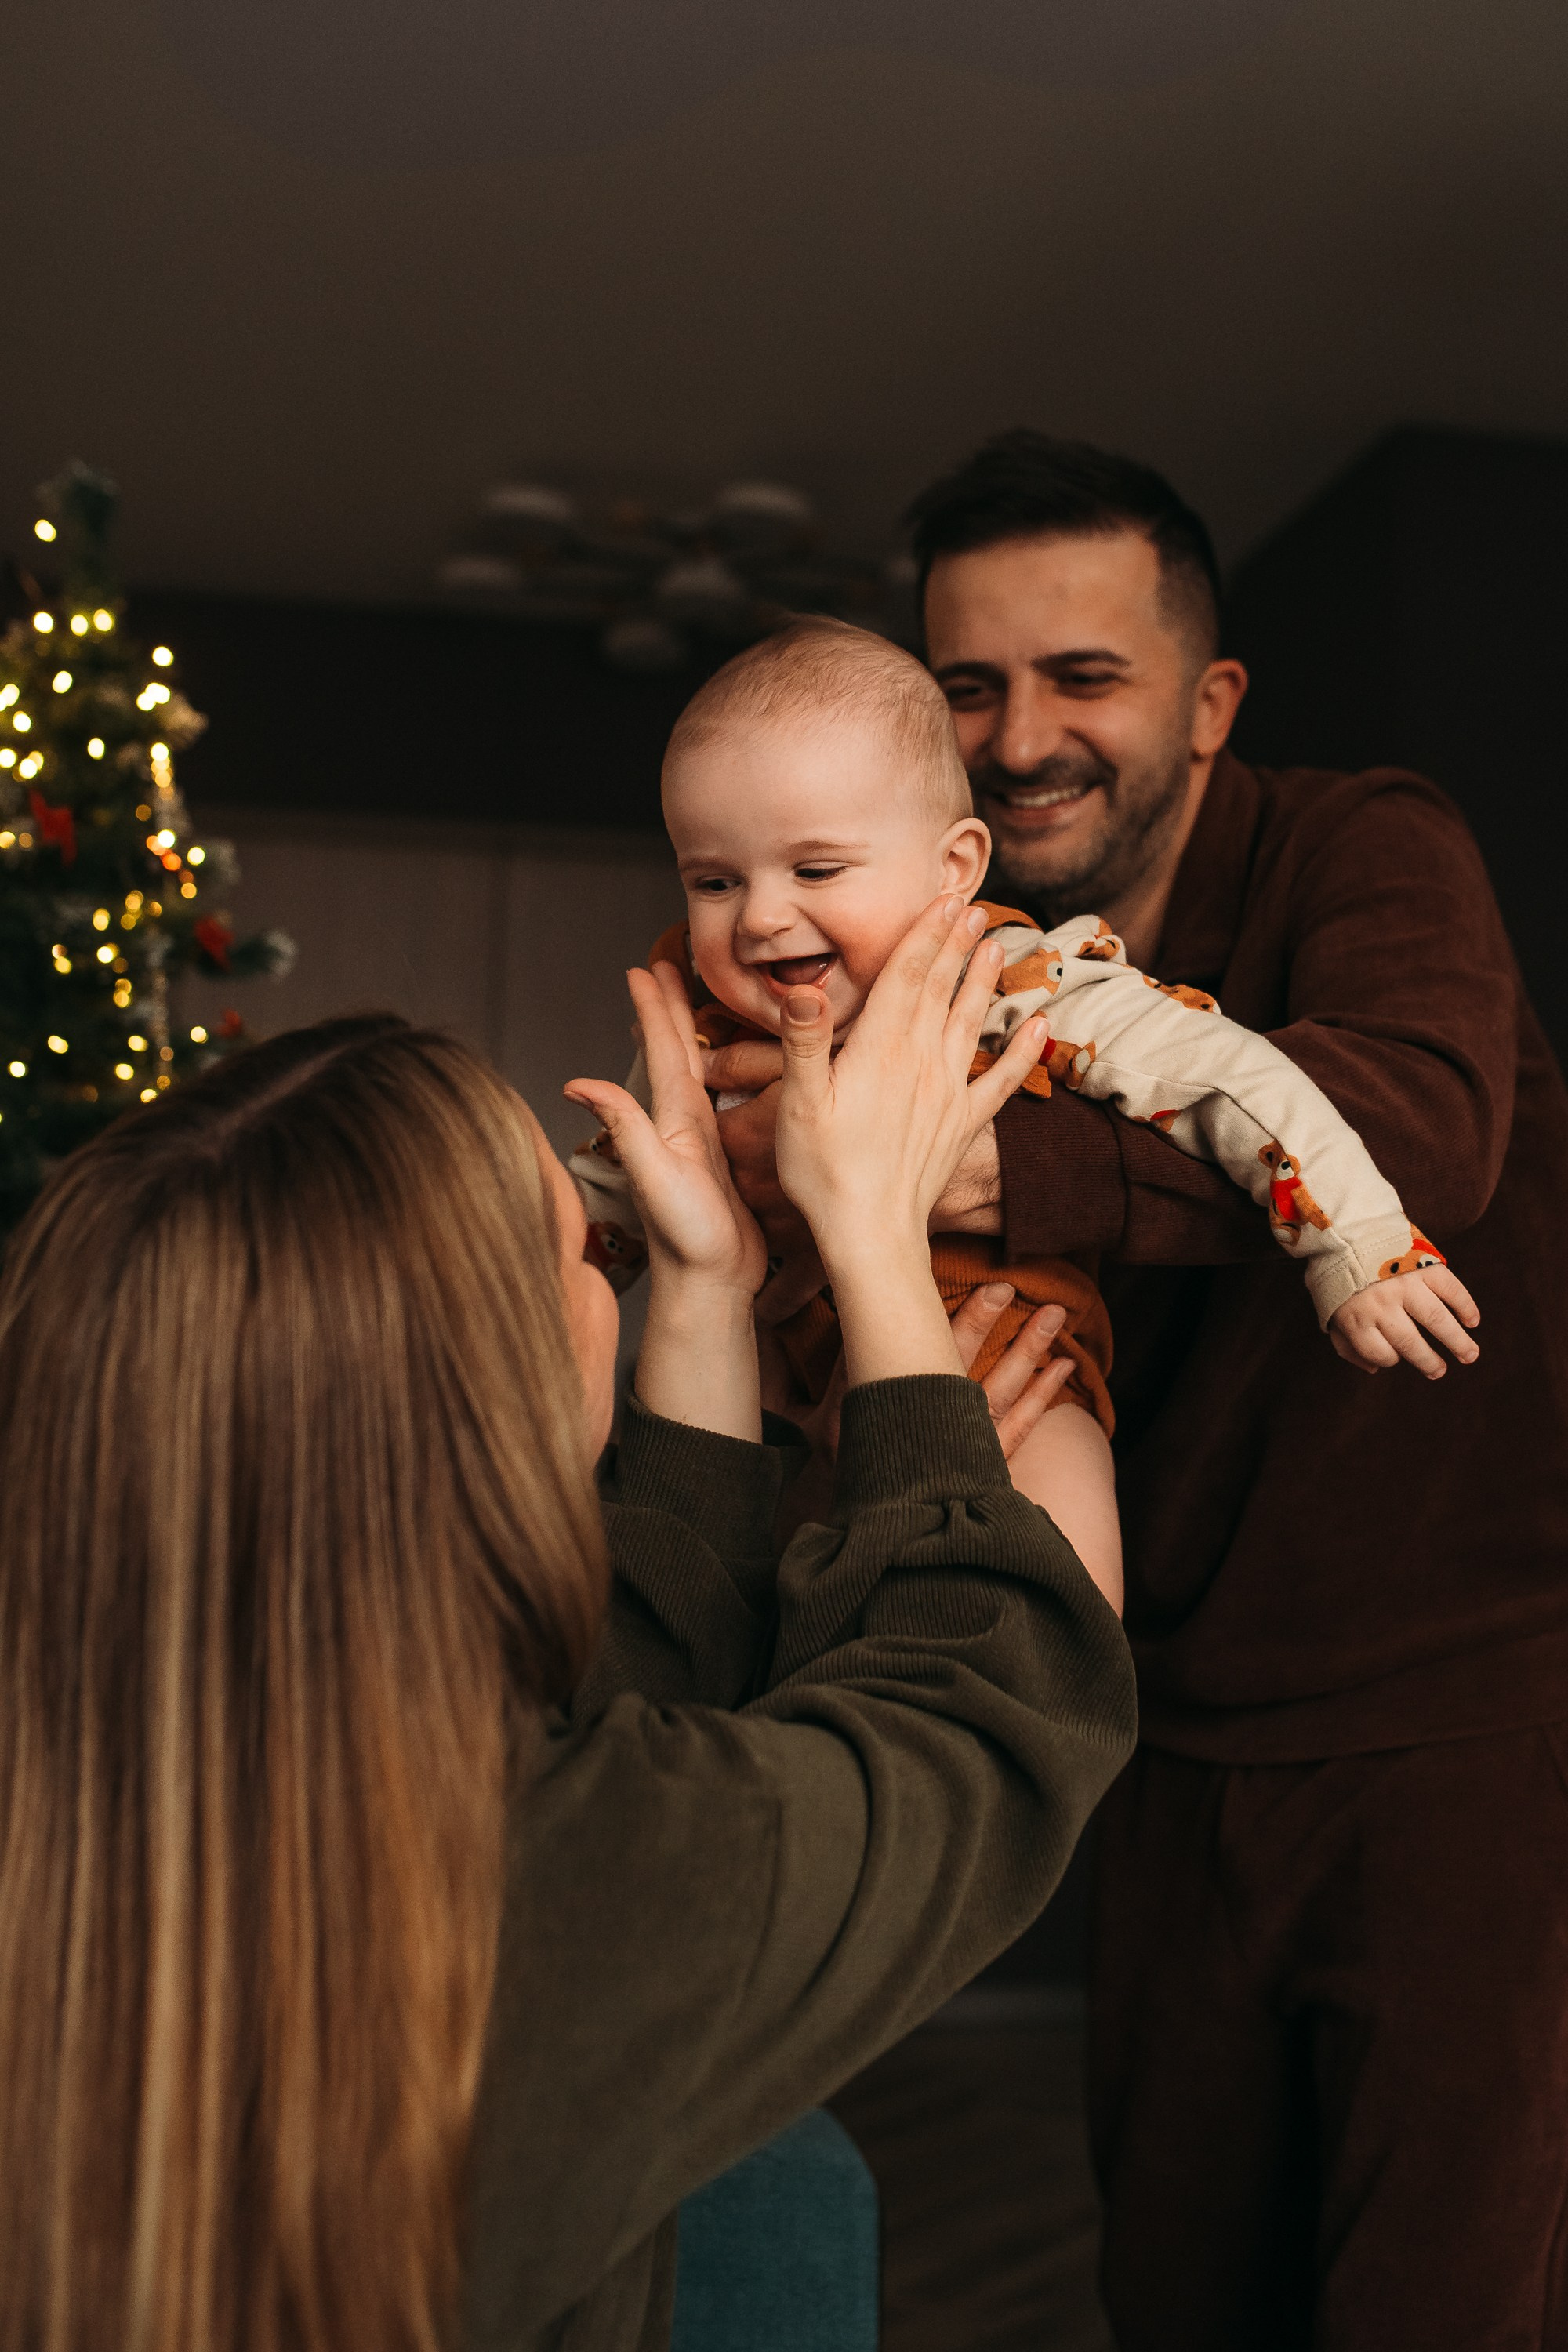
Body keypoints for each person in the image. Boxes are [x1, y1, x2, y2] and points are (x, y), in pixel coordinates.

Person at [0, 893, 1136, 2352]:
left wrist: (714, 1290)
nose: (611, 1277)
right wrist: (876, 1256)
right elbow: (982, 1715)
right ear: (502, 1407)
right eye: (587, 1258)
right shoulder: (591, 1872)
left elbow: (604, 1707)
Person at [706, 430, 1568, 2349]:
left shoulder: (1361, 838)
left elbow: (1417, 1122)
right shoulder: (921, 952)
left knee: (1436, 2291)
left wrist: (973, 1172)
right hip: (1161, 1726)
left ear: (1205, 695)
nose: (1021, 738)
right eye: (968, 685)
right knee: (1173, 2276)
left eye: (1080, 675)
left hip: (1455, 1721)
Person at [583, 616, 1479, 1616]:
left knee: (1056, 1624)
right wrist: (544, 1274)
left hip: (1006, 1373)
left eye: (816, 871)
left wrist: (1354, 1245)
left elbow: (1227, 1079)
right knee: (729, 1615)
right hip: (778, 1399)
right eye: (714, 881)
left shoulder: (1019, 979)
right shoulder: (698, 1012)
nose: (756, 919)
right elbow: (620, 1185)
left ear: (953, 867)